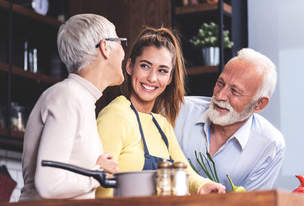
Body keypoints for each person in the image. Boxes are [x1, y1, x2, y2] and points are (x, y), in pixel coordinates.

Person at [96, 26, 225, 198]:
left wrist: (204, 185)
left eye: (162, 70)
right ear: (129, 66)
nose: (152, 78)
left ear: (170, 78)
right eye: (145, 66)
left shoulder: (161, 125)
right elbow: (98, 186)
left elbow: (184, 170)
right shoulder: (115, 116)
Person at [20, 14, 127, 200]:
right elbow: (49, 184)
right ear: (105, 47)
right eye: (120, 42)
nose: (124, 52)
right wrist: (98, 175)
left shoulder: (79, 99)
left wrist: (96, 171)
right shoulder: (68, 97)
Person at [175, 48, 286, 191]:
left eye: (234, 91)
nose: (220, 96)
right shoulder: (179, 111)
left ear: (259, 104)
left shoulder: (270, 146)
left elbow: (250, 203)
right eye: (220, 83)